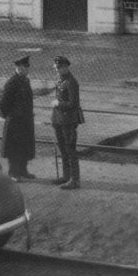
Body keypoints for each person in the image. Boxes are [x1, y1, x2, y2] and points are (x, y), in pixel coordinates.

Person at [0, 55, 36, 181]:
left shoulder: (25, 81)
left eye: (27, 67)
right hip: (15, 121)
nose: (27, 70)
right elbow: (4, 102)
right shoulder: (12, 82)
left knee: (24, 146)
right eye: (24, 67)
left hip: (26, 120)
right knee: (14, 148)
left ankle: (23, 170)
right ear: (18, 68)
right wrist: (7, 115)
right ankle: (13, 173)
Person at [51, 56, 84, 189]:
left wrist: (59, 103)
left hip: (69, 121)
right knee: (63, 149)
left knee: (70, 150)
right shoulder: (60, 80)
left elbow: (73, 103)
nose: (57, 70)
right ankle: (66, 176)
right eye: (56, 68)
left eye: (59, 68)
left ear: (66, 67)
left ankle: (75, 180)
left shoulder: (71, 82)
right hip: (59, 120)